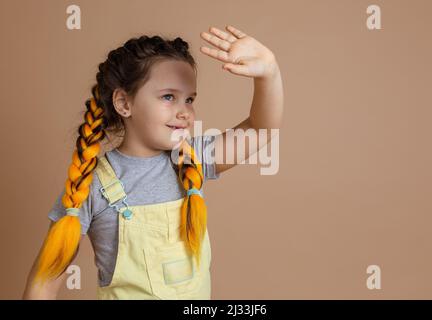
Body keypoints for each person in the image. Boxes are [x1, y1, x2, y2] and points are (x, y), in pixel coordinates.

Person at [23, 25, 284, 299]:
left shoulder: (192, 159)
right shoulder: (90, 186)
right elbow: (45, 281)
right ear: (124, 103)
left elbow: (260, 129)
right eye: (169, 97)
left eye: (190, 99)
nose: (184, 111)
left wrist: (270, 73)